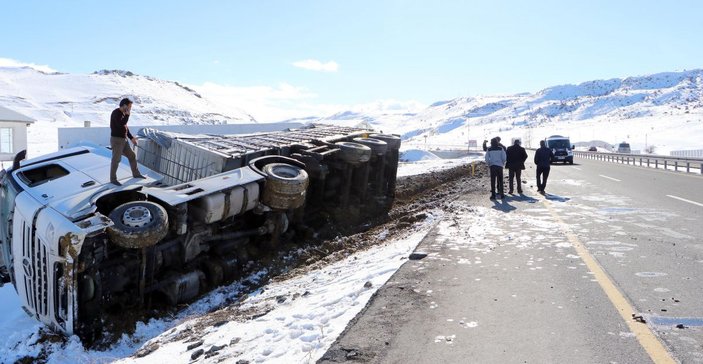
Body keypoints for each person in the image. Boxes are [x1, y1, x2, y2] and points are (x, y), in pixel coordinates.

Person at [109, 98, 144, 185]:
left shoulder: (123, 114)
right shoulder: (116, 113)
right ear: (124, 106)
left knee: (132, 155)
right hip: (117, 140)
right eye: (129, 106)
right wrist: (127, 115)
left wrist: (131, 138)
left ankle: (136, 174)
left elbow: (125, 127)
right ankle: (113, 179)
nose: (130, 108)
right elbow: (120, 124)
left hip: (124, 140)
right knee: (116, 159)